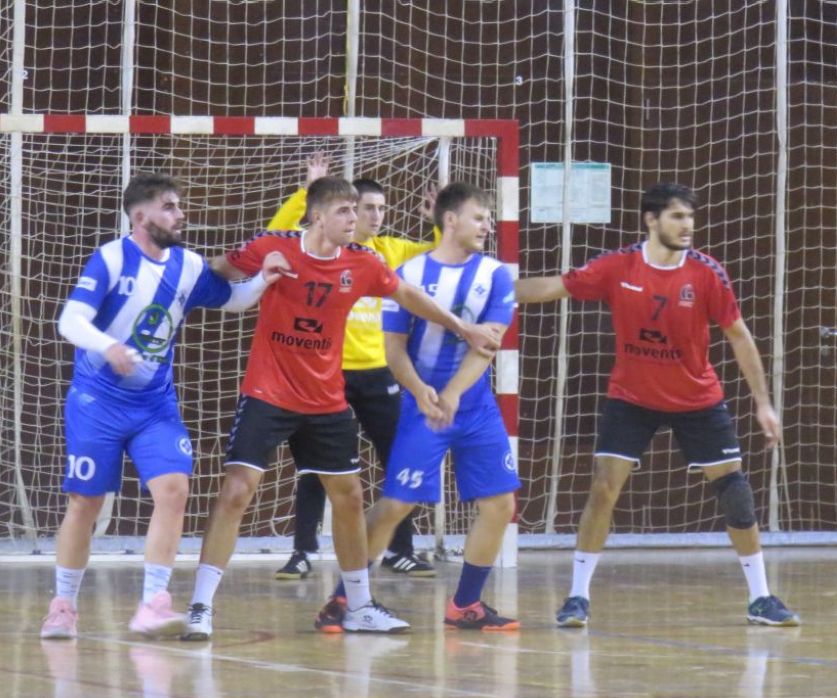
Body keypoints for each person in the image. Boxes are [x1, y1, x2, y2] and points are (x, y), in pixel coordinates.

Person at [182, 176, 500, 640]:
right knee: (237, 490)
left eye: (357, 210)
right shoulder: (276, 246)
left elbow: (409, 296)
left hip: (325, 399)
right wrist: (254, 276)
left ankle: (360, 605)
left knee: (349, 497)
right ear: (317, 216)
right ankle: (200, 606)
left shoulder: (362, 262)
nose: (355, 219)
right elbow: (216, 270)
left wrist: (462, 328)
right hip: (268, 391)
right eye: (344, 212)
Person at [515, 182, 800, 628]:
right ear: (651, 220)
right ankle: (577, 597)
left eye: (690, 218)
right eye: (677, 217)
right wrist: (493, 289)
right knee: (603, 488)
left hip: (697, 398)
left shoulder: (708, 273)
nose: (688, 226)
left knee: (736, 494)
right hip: (632, 397)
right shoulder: (618, 266)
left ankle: (761, 597)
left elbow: (740, 337)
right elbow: (555, 286)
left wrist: (763, 404)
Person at [40, 173, 288, 640]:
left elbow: (233, 300)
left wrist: (262, 281)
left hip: (154, 405)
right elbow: (70, 320)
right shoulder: (112, 259)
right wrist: (108, 346)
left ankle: (154, 601)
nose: (180, 214)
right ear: (140, 217)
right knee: (85, 502)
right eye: (170, 207)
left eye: (179, 205)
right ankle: (63, 605)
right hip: (98, 403)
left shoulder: (189, 265)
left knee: (174, 491)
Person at [348, 182, 520, 632]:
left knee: (501, 504)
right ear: (450, 220)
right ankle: (345, 598)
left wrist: (454, 394)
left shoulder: (497, 275)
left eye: (489, 218)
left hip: (474, 406)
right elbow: (394, 349)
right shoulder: (407, 273)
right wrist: (421, 390)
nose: (487, 225)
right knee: (395, 506)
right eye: (479, 217)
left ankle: (466, 604)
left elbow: (488, 344)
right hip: (422, 405)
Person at [266, 155, 436, 580]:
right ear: (347, 210)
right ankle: (303, 550)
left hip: (380, 375)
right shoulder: (322, 250)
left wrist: (438, 224)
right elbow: (275, 234)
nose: (376, 216)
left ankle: (401, 549)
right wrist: (308, 192)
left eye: (382, 209)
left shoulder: (392, 251)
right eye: (367, 208)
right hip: (330, 376)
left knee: (397, 460)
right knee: (315, 467)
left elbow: (436, 252)